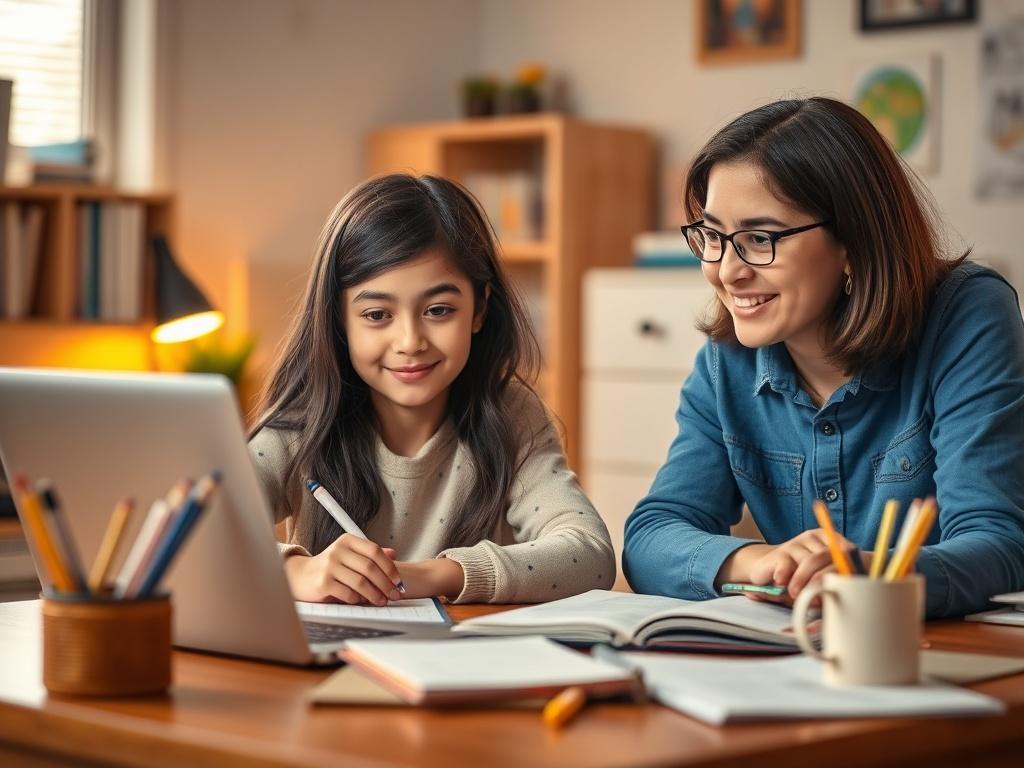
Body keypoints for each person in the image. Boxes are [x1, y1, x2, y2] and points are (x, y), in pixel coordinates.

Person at [623, 97, 1024, 618]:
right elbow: (652, 536)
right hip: (802, 661)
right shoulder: (728, 357)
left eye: (759, 238)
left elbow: (998, 542)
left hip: (944, 654)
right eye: (713, 236)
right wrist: (759, 562)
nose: (726, 271)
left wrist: (871, 576)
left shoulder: (966, 314)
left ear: (855, 241)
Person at [249, 173, 614, 606]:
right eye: (377, 314)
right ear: (338, 319)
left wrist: (427, 576)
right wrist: (296, 569)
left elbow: (589, 555)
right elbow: (198, 535)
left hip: (461, 663)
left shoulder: (510, 415)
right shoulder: (302, 423)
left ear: (478, 309)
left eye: (438, 310)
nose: (410, 341)